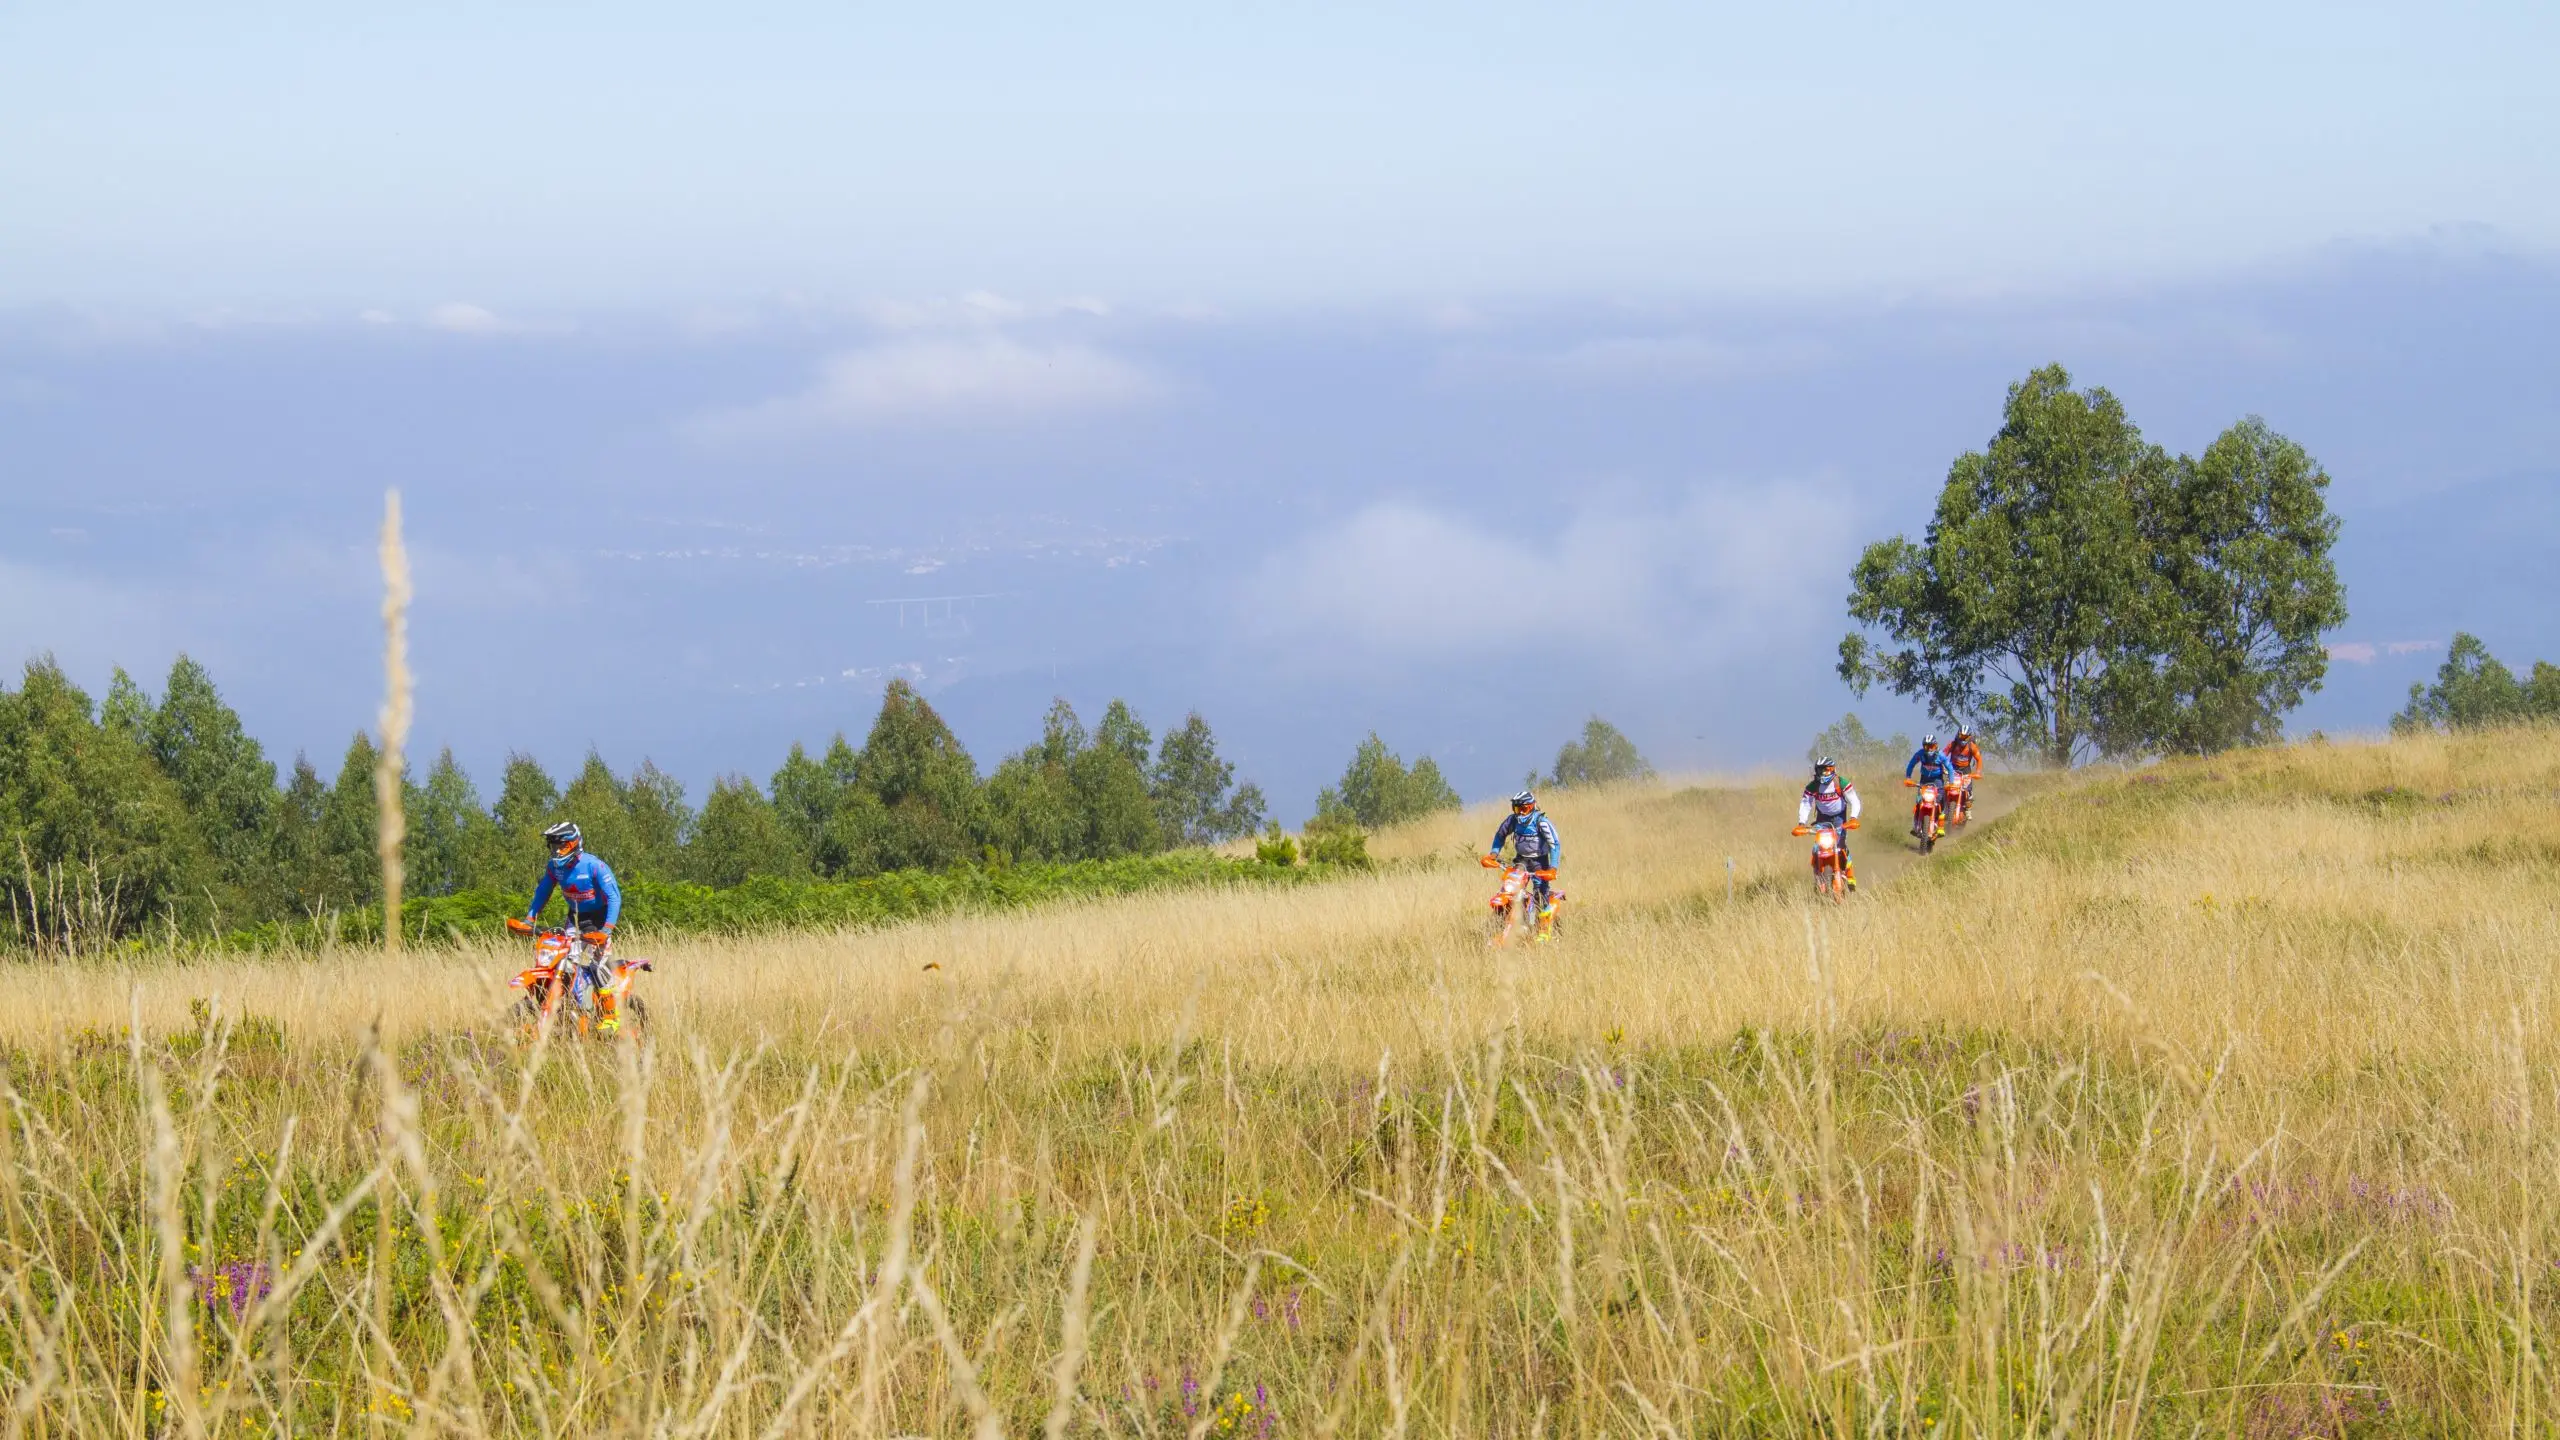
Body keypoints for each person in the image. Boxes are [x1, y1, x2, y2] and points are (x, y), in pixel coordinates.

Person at [525, 821, 624, 1021]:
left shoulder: (594, 866)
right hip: (575, 918)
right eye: (553, 846)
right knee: (563, 962)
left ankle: (611, 1016)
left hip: (600, 920)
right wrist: (529, 918)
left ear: (574, 844)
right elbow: (543, 890)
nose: (556, 851)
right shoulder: (554, 867)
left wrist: (606, 930)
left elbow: (614, 898)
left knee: (598, 965)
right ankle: (571, 1008)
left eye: (561, 846)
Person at [1487, 790, 1563, 936]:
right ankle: (1513, 920)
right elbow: (1500, 835)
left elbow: (1555, 844)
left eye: (1524, 809)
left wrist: (1553, 868)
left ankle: (1541, 929)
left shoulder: (1541, 821)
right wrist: (1493, 855)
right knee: (1510, 889)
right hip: (1521, 860)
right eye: (1517, 809)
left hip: (1539, 862)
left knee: (1540, 895)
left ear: (1531, 806)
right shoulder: (1513, 820)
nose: (1520, 813)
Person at [1798, 758, 1862, 888]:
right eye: (1820, 770)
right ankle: (1817, 876)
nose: (1823, 773)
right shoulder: (1813, 786)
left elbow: (1854, 801)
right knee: (1817, 847)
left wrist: (1853, 818)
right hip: (1822, 819)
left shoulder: (1841, 783)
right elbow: (1806, 804)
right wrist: (1801, 824)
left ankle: (1850, 875)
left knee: (1841, 846)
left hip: (1839, 818)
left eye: (1826, 770)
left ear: (1832, 770)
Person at [1905, 735, 1954, 838]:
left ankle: (1940, 827)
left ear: (1936, 746)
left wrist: (1951, 782)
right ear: (1923, 747)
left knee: (1940, 801)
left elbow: (1950, 768)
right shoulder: (1920, 754)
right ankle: (1916, 825)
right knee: (1919, 801)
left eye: (1931, 746)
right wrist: (1908, 778)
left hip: (1937, 780)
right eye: (1927, 747)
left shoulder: (1941, 755)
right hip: (1924, 780)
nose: (1929, 749)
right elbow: (1911, 764)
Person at [1946, 727, 1984, 822]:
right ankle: (1942, 808)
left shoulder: (1972, 747)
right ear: (1958, 735)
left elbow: (1979, 759)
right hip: (1953, 770)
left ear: (1969, 737)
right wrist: (1941, 766)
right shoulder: (1952, 744)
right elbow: (1943, 754)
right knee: (1945, 788)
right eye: (1961, 736)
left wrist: (1978, 772)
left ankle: (1968, 809)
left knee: (1968, 792)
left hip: (1966, 771)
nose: (1963, 739)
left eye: (1965, 737)